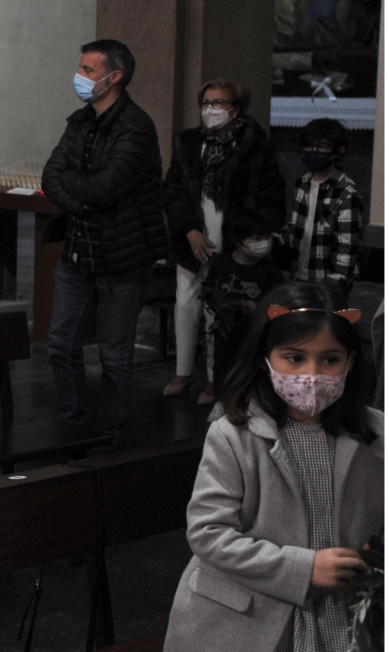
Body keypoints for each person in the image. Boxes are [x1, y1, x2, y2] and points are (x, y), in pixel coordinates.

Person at [164, 282, 383, 652]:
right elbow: (208, 532)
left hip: (343, 615)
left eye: (330, 359)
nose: (312, 375)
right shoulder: (233, 434)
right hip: (249, 617)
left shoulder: (375, 434)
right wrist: (303, 569)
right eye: (294, 358)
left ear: (350, 361)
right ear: (266, 358)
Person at [40, 39, 166, 443]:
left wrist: (78, 190)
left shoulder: (137, 126)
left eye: (88, 70)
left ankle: (109, 431)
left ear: (115, 77)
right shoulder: (80, 121)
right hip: (78, 252)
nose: (80, 77)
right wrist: (83, 196)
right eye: (81, 68)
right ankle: (72, 423)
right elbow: (50, 177)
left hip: (123, 258)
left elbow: (106, 188)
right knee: (60, 343)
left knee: (114, 355)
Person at [163, 78, 286, 405]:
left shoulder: (255, 145)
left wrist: (250, 236)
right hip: (194, 240)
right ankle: (183, 371)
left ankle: (216, 380)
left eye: (219, 103)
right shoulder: (188, 143)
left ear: (236, 109)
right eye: (206, 103)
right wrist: (188, 229)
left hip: (232, 242)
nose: (210, 110)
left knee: (221, 311)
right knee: (186, 304)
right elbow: (173, 191)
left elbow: (270, 197)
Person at [201, 208, 284, 400]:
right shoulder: (221, 264)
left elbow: (278, 298)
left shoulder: (269, 270)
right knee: (223, 368)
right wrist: (236, 304)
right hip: (226, 334)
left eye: (266, 237)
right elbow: (209, 292)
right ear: (238, 241)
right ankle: (222, 404)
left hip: (255, 336)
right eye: (256, 239)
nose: (263, 243)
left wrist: (258, 306)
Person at [284, 118, 364, 293]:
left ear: (338, 151)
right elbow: (297, 227)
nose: (313, 152)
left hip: (328, 281)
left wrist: (335, 283)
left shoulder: (346, 192)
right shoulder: (302, 184)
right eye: (308, 146)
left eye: (321, 147)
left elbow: (347, 245)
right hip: (299, 275)